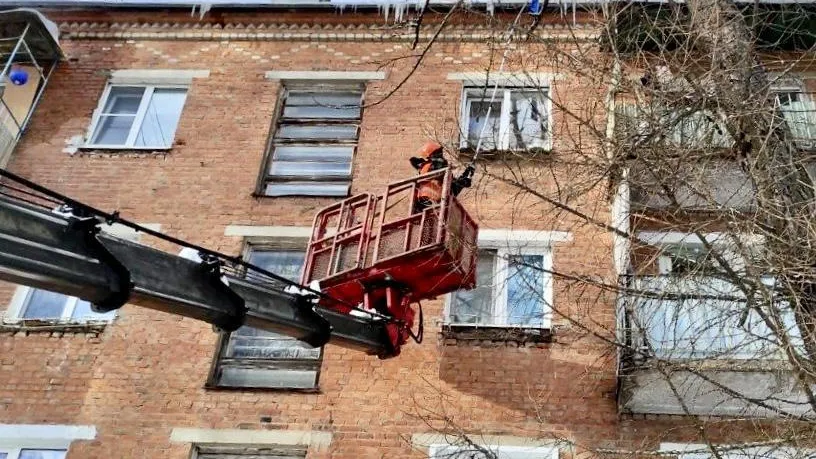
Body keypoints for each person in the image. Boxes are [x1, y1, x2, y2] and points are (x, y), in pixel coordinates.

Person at [409, 142, 475, 212]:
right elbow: (453, 186)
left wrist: (466, 174)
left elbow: (453, 185)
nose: (441, 155)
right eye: (438, 153)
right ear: (430, 156)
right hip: (429, 200)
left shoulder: (429, 169)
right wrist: (464, 180)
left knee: (456, 185)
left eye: (440, 152)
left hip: (426, 202)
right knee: (456, 185)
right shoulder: (432, 166)